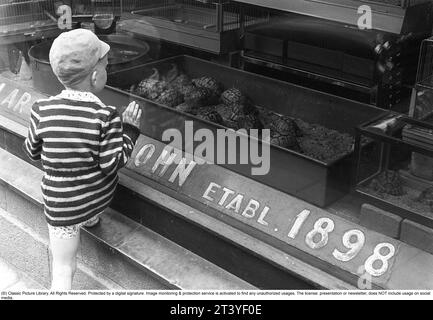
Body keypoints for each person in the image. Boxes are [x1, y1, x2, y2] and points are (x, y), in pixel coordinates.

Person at [22, 29, 142, 290]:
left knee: (63, 268)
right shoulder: (106, 115)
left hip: (61, 206)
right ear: (97, 76)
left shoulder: (41, 110)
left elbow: (31, 151)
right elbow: (113, 163)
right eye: (106, 66)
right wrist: (130, 130)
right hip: (96, 198)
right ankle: (90, 216)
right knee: (92, 194)